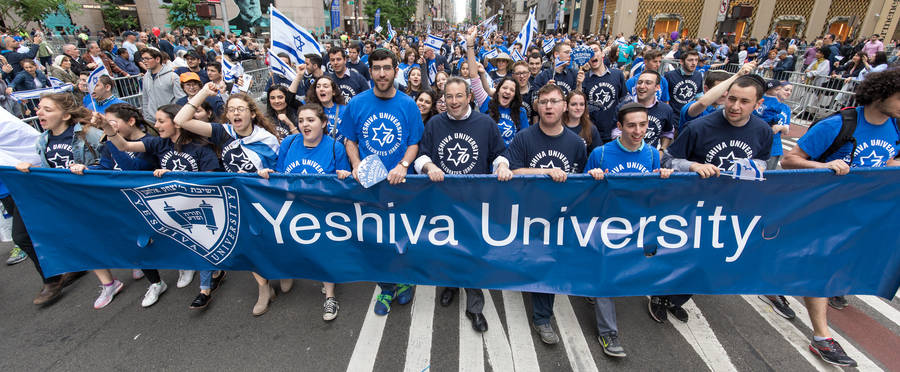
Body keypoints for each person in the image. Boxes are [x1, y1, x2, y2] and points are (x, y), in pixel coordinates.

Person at [781, 68, 900, 368]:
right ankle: (821, 337)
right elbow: (789, 159)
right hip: (823, 210)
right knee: (821, 267)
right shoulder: (840, 123)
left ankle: (774, 278)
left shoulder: (896, 127)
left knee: (824, 264)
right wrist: (824, 167)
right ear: (882, 94)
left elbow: (888, 159)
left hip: (861, 214)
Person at [656, 75, 773, 324]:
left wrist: (754, 167)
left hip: (731, 208)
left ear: (758, 104)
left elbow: (764, 161)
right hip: (691, 207)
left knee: (709, 259)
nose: (735, 106)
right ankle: (659, 296)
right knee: (681, 255)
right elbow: (667, 160)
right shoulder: (699, 127)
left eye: (744, 101)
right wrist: (693, 166)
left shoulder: (763, 131)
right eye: (731, 99)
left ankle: (675, 298)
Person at [99, 104, 222, 308]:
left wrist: (173, 176)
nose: (156, 125)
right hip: (173, 207)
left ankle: (205, 289)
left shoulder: (201, 147)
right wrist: (108, 129)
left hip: (200, 206)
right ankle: (215, 272)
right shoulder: (159, 144)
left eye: (161, 121)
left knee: (203, 245)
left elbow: (208, 181)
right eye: (155, 120)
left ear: (177, 122)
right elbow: (124, 147)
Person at [415, 77, 512, 332]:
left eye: (459, 96)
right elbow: (422, 155)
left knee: (473, 253)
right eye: (449, 97)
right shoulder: (435, 123)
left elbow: (499, 153)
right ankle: (450, 284)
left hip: (475, 203)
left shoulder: (485, 123)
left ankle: (475, 307)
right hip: (443, 201)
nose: (454, 102)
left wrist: (501, 165)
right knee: (447, 247)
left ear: (469, 96)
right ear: (443, 99)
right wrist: (429, 165)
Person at [338, 48, 424, 316]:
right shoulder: (357, 104)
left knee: (402, 235)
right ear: (370, 70)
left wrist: (403, 165)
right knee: (376, 238)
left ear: (396, 70)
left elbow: (414, 142)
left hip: (402, 185)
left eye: (387, 67)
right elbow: (349, 139)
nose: (382, 73)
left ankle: (405, 279)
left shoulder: (408, 104)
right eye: (376, 68)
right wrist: (355, 164)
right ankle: (386, 287)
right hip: (370, 184)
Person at [585, 102, 674, 358]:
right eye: (631, 125)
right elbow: (581, 191)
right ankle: (608, 332)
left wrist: (664, 178)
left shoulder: (653, 155)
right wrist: (592, 176)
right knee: (606, 277)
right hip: (605, 226)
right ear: (619, 127)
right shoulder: (601, 154)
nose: (638, 130)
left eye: (643, 125)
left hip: (636, 227)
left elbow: (653, 194)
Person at [505, 84, 587, 344]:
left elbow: (580, 179)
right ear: (537, 107)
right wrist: (545, 173)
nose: (548, 106)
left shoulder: (576, 143)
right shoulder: (524, 138)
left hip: (559, 216)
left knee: (547, 264)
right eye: (543, 102)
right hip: (528, 213)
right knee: (530, 259)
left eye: (554, 101)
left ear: (564, 106)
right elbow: (514, 171)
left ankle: (542, 318)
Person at [257, 103, 351, 320]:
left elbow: (343, 178)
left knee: (325, 251)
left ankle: (329, 297)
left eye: (311, 120)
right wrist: (268, 173)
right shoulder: (289, 143)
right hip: (292, 211)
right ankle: (287, 274)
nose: (305, 125)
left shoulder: (335, 147)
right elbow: (280, 173)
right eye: (301, 121)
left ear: (324, 123)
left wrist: (344, 175)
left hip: (321, 212)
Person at [70, 103, 165, 309]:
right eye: (107, 123)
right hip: (121, 203)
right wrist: (87, 168)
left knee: (160, 240)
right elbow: (105, 166)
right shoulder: (108, 144)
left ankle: (184, 267)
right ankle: (156, 282)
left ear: (130, 121)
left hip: (147, 202)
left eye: (113, 123)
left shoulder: (149, 142)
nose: (108, 127)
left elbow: (133, 168)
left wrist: (111, 137)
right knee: (135, 244)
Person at [14, 93, 100, 305]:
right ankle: (61, 275)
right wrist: (32, 170)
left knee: (104, 233)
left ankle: (138, 263)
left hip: (85, 195)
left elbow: (109, 158)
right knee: (25, 234)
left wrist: (89, 169)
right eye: (39, 108)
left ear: (65, 115)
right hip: (60, 197)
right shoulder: (42, 140)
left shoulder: (86, 134)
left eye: (47, 109)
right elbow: (48, 168)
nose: (39, 112)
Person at [615, 70, 676, 150]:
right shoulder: (623, 107)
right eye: (640, 82)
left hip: (652, 156)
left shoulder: (665, 109)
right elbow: (615, 132)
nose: (642, 86)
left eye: (648, 83)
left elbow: (668, 132)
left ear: (657, 87)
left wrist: (662, 150)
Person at [578, 42, 626, 143]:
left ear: (602, 53)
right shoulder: (583, 79)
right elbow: (578, 104)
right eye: (589, 53)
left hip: (614, 133)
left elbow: (624, 101)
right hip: (592, 133)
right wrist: (579, 84)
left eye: (595, 51)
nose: (593, 55)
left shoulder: (617, 75)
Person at [752, 80, 792, 171]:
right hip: (755, 143)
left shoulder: (785, 108)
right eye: (786, 89)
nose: (788, 93)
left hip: (774, 147)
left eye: (790, 91)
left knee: (767, 176)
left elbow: (786, 130)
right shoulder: (761, 102)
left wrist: (780, 127)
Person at [139, 48, 186, 123]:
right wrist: (147, 117)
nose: (144, 61)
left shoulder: (173, 76)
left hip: (170, 120)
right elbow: (145, 98)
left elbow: (180, 99)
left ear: (157, 59)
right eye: (143, 59)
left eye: (147, 59)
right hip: (152, 120)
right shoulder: (145, 77)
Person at [665, 50, 704, 119]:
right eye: (690, 60)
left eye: (696, 60)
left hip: (689, 116)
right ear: (681, 62)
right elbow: (664, 98)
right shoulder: (670, 75)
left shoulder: (698, 75)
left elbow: (699, 95)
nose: (694, 63)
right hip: (673, 117)